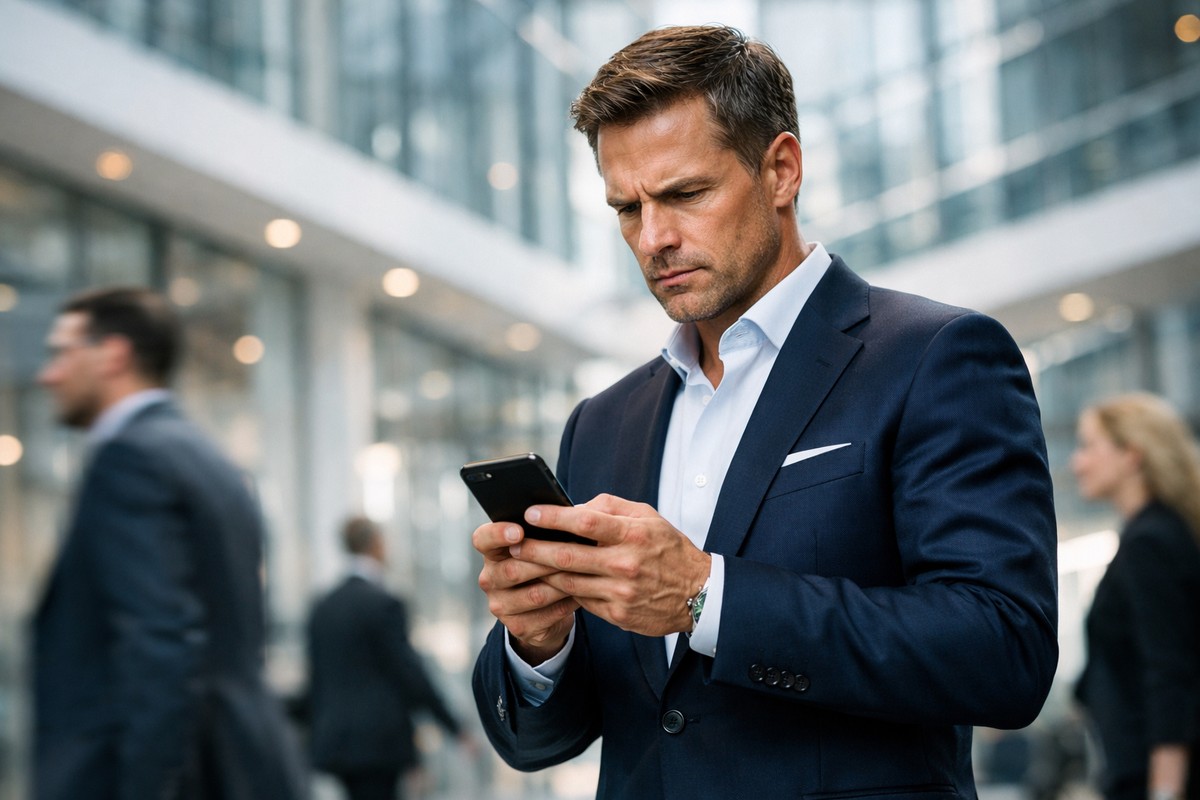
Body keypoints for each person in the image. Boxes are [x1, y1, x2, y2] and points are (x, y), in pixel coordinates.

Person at [470, 24, 1059, 798]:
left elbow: (1003, 651)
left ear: (782, 170)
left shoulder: (936, 356)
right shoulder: (603, 423)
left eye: (685, 194)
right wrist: (538, 643)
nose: (655, 238)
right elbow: (543, 740)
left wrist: (704, 596)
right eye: (627, 208)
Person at [32, 286, 306, 800]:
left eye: (63, 352)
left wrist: (148, 787)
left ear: (114, 354)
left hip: (165, 773)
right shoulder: (208, 458)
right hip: (236, 762)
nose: (50, 374)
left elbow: (159, 639)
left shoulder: (129, 458)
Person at [1071, 393, 1200, 800]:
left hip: (1154, 776)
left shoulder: (1150, 542)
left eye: (1089, 446)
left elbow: (1169, 674)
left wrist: (1164, 790)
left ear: (1132, 455)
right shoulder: (1159, 534)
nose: (1078, 463)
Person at [307, 516, 472, 800]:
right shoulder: (383, 603)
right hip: (379, 743)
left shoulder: (323, 606)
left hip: (336, 740)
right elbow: (408, 673)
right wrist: (453, 726)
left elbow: (316, 677)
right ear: (377, 545)